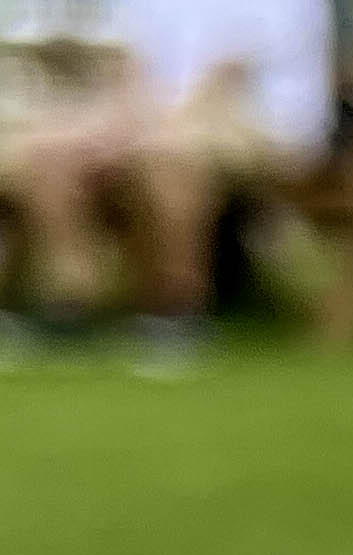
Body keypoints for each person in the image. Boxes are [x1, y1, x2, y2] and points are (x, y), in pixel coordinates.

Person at [1, 0, 333, 363]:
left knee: (168, 158)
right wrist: (104, 131)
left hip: (266, 126)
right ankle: (70, 300)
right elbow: (125, 74)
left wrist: (143, 131)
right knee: (51, 153)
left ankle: (175, 309)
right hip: (155, 123)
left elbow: (225, 78)